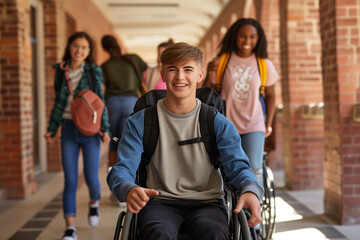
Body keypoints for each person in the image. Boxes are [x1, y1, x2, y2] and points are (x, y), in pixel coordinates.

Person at [107, 42, 263, 240]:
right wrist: (127, 188)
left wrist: (250, 189)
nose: (180, 76)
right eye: (172, 69)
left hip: (207, 203)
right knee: (158, 233)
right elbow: (122, 168)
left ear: (199, 75)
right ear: (162, 74)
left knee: (214, 232)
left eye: (187, 69)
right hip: (159, 201)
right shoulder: (140, 122)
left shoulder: (216, 122)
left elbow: (238, 165)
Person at [44, 31, 110, 240]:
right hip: (68, 129)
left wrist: (105, 129)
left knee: (91, 177)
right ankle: (70, 228)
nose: (79, 51)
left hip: (90, 131)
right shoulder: (60, 71)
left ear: (89, 51)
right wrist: (52, 128)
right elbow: (58, 103)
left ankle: (94, 202)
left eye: (84, 47)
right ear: (69, 47)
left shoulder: (93, 71)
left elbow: (99, 102)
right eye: (75, 46)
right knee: (70, 180)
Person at [204, 18, 279, 187]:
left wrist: (268, 123)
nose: (247, 41)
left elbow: (271, 95)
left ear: (259, 39)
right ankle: (232, 208)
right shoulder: (220, 62)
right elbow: (206, 93)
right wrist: (209, 74)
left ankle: (253, 209)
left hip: (254, 123)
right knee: (227, 169)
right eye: (242, 36)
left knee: (254, 168)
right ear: (234, 37)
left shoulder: (264, 65)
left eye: (252, 37)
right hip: (226, 123)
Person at [101, 35, 147, 168]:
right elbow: (144, 70)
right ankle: (127, 167)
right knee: (126, 136)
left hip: (112, 104)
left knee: (114, 138)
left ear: (105, 49)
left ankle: (113, 169)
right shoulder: (133, 59)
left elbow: (102, 84)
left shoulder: (105, 66)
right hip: (130, 103)